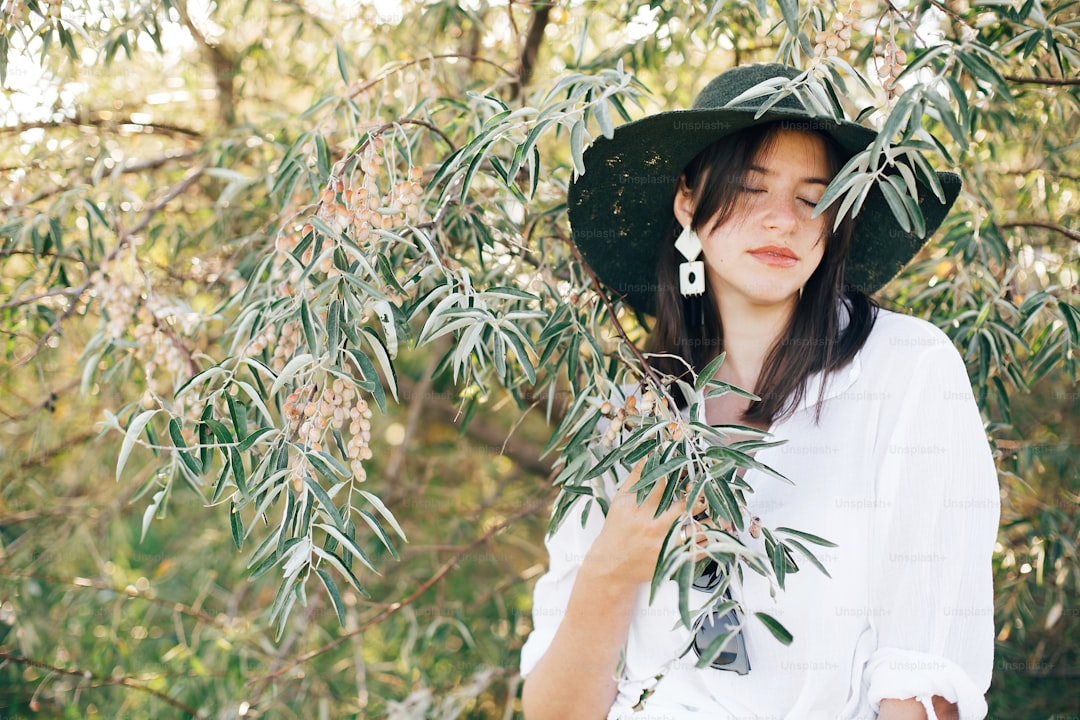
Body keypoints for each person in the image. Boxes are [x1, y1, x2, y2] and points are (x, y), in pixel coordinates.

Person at [519, 64, 1000, 719]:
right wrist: (612, 566)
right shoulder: (629, 419)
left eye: (812, 198)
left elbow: (923, 675)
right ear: (687, 200)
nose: (783, 221)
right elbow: (554, 711)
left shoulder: (906, 372)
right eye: (751, 188)